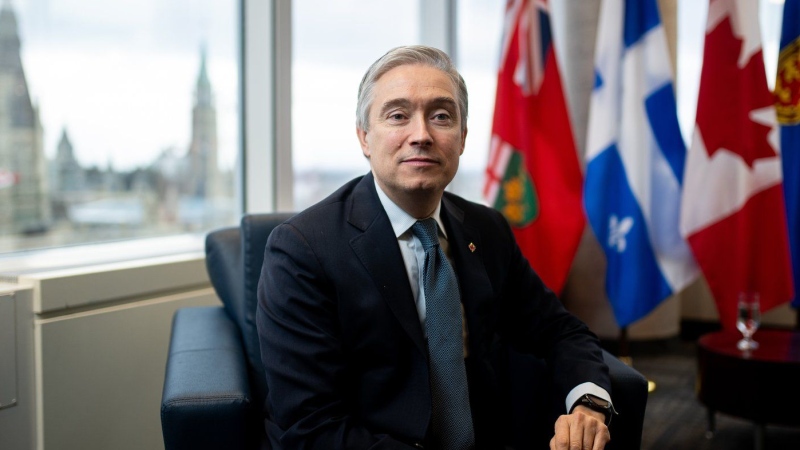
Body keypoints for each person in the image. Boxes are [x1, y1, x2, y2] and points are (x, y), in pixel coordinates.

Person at [257, 45, 615, 450]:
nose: (422, 135)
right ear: (364, 138)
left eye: (442, 116)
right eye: (397, 116)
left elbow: (559, 330)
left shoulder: (488, 228)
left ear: (461, 138)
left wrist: (586, 403)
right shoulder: (302, 250)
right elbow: (311, 425)